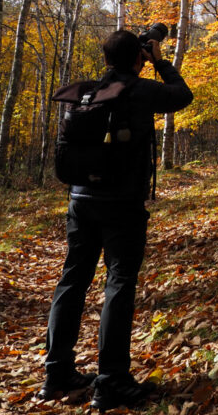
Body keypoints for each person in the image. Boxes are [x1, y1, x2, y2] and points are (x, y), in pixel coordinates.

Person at [38, 29, 193, 411]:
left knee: (73, 280)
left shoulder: (87, 92)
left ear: (106, 59)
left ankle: (56, 374)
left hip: (80, 199)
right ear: (139, 58)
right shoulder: (140, 89)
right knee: (119, 283)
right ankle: (111, 381)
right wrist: (160, 62)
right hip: (122, 202)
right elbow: (182, 96)